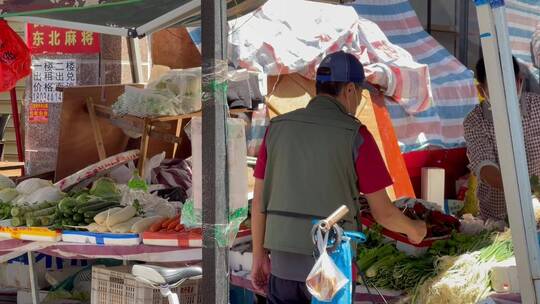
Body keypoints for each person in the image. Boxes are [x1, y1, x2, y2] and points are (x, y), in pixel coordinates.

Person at [250, 51, 427, 304]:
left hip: (282, 268)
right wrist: (415, 230)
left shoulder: (276, 129)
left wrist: (258, 256)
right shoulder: (357, 136)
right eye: (361, 94)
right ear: (351, 90)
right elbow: (384, 213)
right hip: (329, 270)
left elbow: (259, 202)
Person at [464, 56, 540, 221]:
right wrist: (524, 189)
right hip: (496, 221)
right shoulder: (475, 121)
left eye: (508, 89)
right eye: (496, 91)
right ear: (481, 90)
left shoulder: (538, 108)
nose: (504, 97)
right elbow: (485, 167)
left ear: (519, 82)